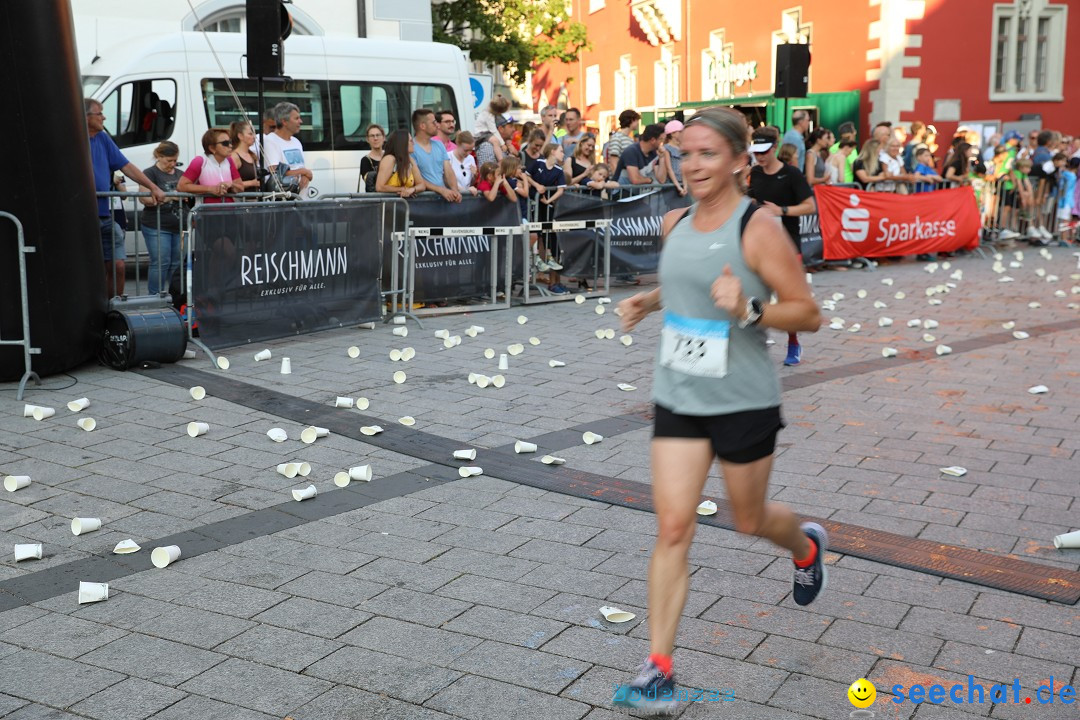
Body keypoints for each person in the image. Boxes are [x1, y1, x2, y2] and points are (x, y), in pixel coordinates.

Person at [612, 106, 824, 715]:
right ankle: (659, 669)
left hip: (743, 399)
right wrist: (648, 303)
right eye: (686, 153)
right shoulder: (675, 220)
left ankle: (806, 547)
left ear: (739, 160)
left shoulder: (758, 228)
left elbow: (807, 312)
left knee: (749, 520)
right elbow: (687, 282)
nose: (694, 164)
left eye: (708, 154)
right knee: (673, 527)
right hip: (679, 394)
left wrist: (749, 311)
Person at [747, 126, 817, 367]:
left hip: (788, 245)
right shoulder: (754, 173)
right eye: (756, 152)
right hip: (760, 244)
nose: (760, 157)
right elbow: (751, 199)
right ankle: (752, 343)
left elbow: (810, 206)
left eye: (764, 152)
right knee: (752, 294)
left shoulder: (792, 174)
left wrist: (782, 210)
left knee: (789, 299)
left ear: (775, 148)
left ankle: (794, 342)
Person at [85, 98, 166, 298]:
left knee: (118, 265)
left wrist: (152, 187)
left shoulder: (103, 138)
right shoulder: (74, 139)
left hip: (106, 214)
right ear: (86, 116)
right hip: (83, 216)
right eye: (100, 113)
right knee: (88, 270)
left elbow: (126, 166)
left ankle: (116, 309)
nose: (104, 117)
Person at [137, 141, 185, 295]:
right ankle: (155, 298)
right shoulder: (149, 173)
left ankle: (174, 296)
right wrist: (171, 198)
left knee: (177, 263)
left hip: (179, 225)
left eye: (175, 160)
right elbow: (145, 199)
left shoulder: (180, 174)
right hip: (156, 225)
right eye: (169, 160)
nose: (172, 164)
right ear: (159, 156)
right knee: (161, 262)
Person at [530, 143, 568, 293]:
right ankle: (537, 261)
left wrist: (549, 200)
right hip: (533, 206)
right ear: (552, 151)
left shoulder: (559, 171)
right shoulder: (538, 163)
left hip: (548, 208)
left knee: (551, 236)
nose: (563, 154)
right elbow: (525, 176)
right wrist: (537, 186)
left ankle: (553, 273)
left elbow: (561, 189)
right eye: (561, 151)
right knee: (535, 235)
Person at [177, 127, 244, 203]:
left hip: (229, 211)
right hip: (206, 212)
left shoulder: (229, 161)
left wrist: (231, 185)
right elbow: (181, 186)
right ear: (212, 148)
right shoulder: (199, 161)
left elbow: (241, 187)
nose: (230, 146)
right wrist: (210, 189)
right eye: (225, 143)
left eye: (230, 142)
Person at [410, 108, 462, 202]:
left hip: (443, 200)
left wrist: (454, 190)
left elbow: (448, 171)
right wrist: (441, 190)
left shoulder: (439, 144)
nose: (437, 126)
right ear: (423, 126)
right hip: (422, 202)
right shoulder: (411, 148)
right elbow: (417, 178)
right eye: (434, 122)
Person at [262, 102, 313, 195]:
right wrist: (304, 172)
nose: (300, 121)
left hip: (300, 199)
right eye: (296, 118)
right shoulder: (270, 141)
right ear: (284, 121)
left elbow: (301, 167)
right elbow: (275, 173)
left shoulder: (296, 141)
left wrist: (305, 175)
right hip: (282, 200)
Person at [375, 130, 424, 198]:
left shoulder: (410, 160)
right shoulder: (389, 159)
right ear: (402, 143)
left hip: (406, 205)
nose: (414, 143)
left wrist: (413, 189)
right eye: (410, 141)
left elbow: (422, 185)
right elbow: (379, 187)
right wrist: (402, 189)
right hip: (390, 204)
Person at [228, 121, 261, 193]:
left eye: (254, 133)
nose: (254, 137)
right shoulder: (234, 156)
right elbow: (229, 183)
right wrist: (251, 183)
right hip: (241, 201)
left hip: (254, 200)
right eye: (250, 134)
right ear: (240, 136)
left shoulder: (252, 155)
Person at [449, 131, 478, 196]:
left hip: (466, 197)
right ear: (458, 144)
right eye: (465, 150)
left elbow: (469, 182)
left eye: (471, 150)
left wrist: (475, 176)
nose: (468, 153)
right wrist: (465, 191)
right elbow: (447, 182)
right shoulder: (448, 157)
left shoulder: (471, 158)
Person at [359, 123, 387, 190]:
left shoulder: (389, 157)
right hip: (374, 198)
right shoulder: (365, 160)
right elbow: (369, 182)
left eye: (378, 135)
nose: (375, 138)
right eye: (372, 136)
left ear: (384, 138)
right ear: (367, 139)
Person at [663, 120, 685, 189]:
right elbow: (669, 169)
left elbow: (684, 168)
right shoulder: (666, 148)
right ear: (672, 134)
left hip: (682, 183)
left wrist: (685, 185)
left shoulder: (682, 147)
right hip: (671, 184)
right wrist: (678, 186)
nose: (682, 134)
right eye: (680, 132)